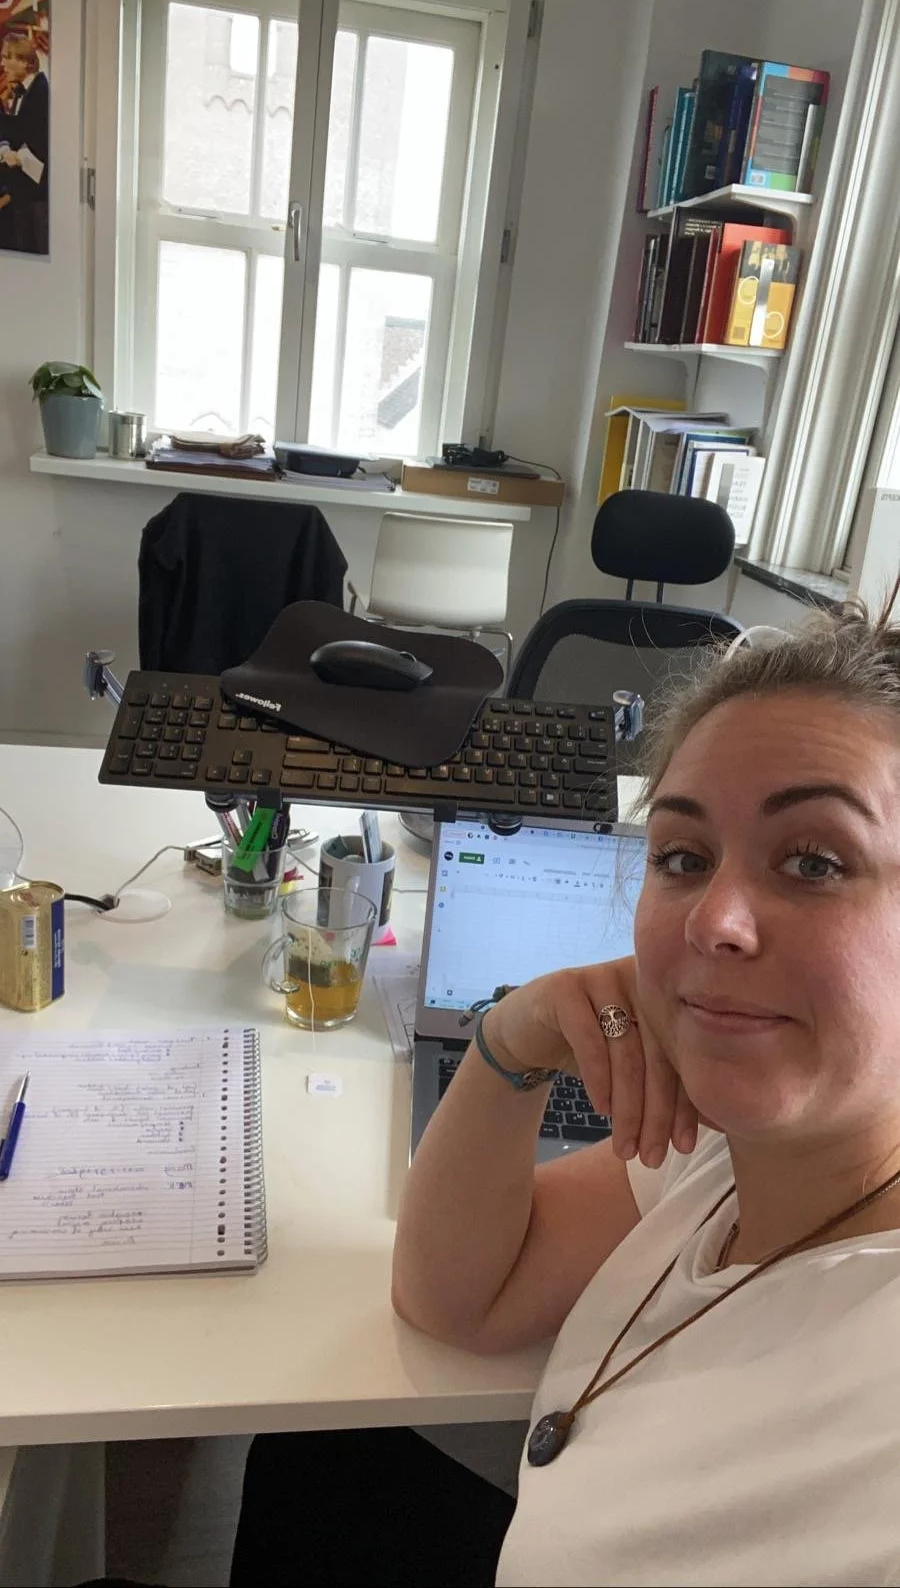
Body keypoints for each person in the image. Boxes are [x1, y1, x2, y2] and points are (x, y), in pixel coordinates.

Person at [231, 588, 900, 1586]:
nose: (714, 920)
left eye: (812, 860)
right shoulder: (727, 1149)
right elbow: (459, 1298)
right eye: (682, 855)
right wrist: (513, 1039)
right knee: (313, 1455)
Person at [0, 27, 49, 255]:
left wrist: (14, 156)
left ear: (24, 62)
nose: (2, 64)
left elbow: (39, 143)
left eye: (6, 57)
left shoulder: (40, 92)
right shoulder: (24, 92)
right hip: (23, 194)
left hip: (35, 196)